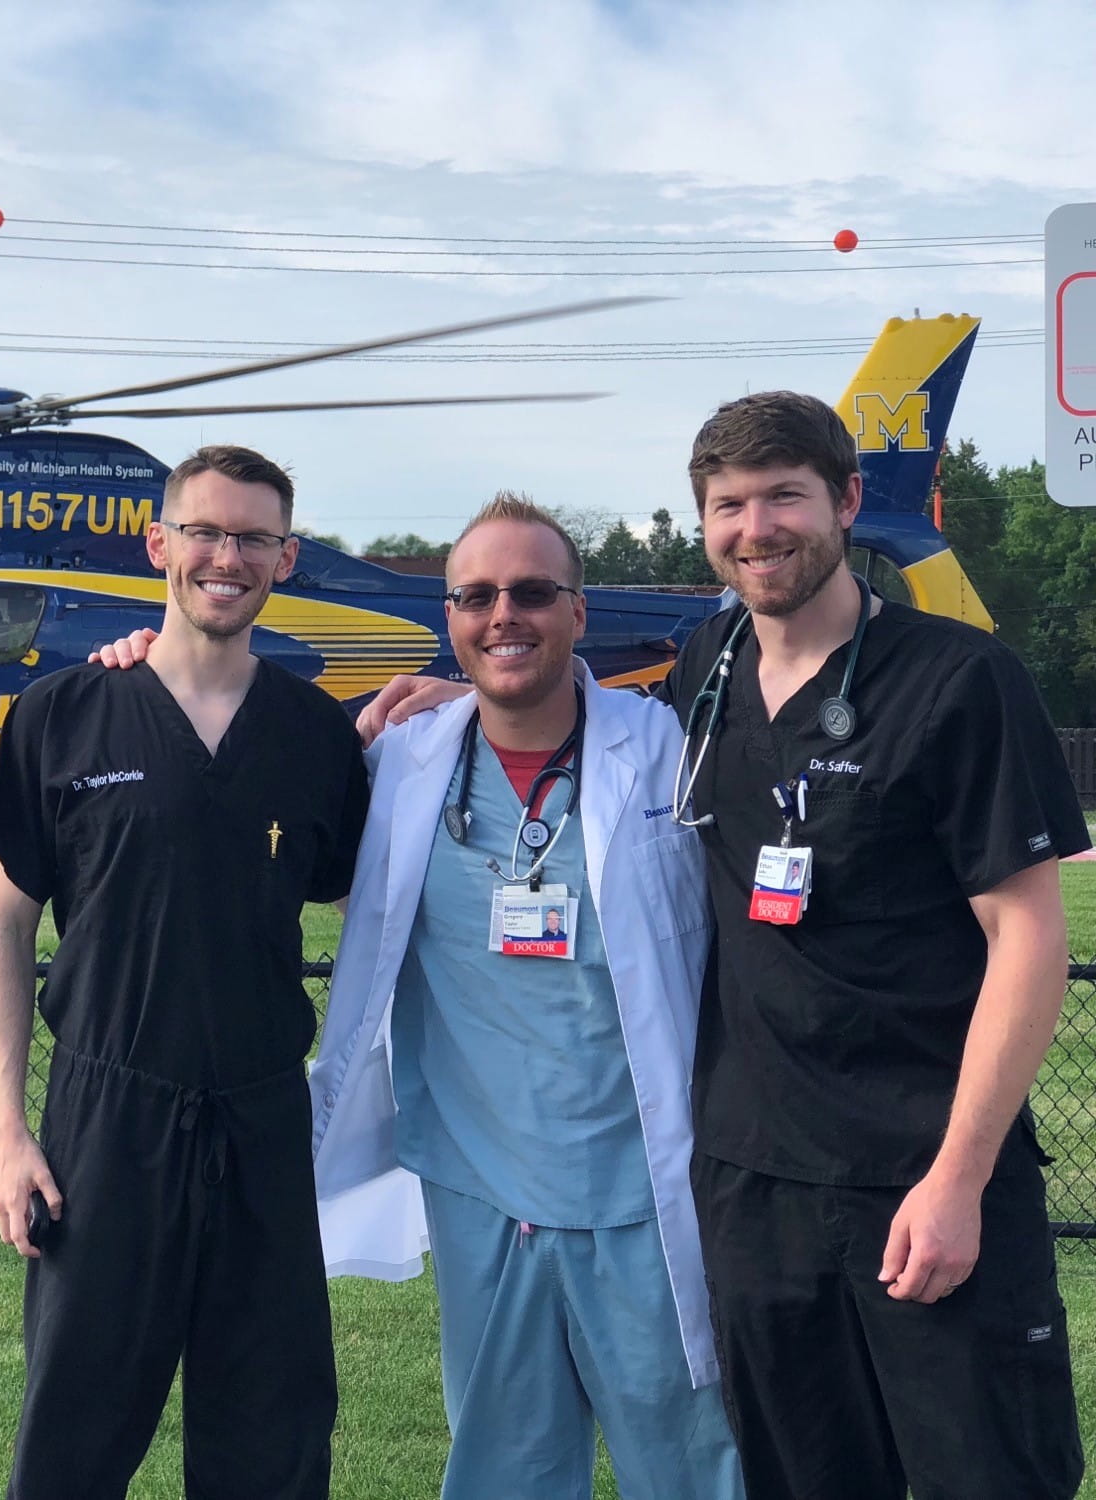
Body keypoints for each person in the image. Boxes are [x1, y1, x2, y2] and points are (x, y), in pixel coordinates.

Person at [366, 392, 1089, 1500]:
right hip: (749, 1192)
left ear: (845, 502)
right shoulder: (705, 673)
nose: (756, 528)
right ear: (702, 523)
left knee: (980, 1473)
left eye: (783, 496)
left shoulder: (956, 679)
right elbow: (566, 704)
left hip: (919, 1174)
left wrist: (957, 1176)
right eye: (728, 505)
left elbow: (1027, 940)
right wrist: (455, 695)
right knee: (797, 1475)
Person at [308, 495, 742, 1499]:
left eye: (533, 592)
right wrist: (139, 657)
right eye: (476, 595)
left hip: (639, 1191)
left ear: (576, 614)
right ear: (449, 618)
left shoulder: (667, 750)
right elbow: (258, 799)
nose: (504, 614)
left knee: (689, 1470)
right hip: (480, 1191)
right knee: (503, 1469)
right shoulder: (398, 760)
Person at [0, 444, 370, 1500]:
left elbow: (343, 879)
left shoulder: (312, 732)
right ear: (159, 544)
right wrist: (7, 1133)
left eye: (251, 537)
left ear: (283, 558)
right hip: (106, 1115)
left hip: (259, 1117)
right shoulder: (62, 715)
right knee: (74, 1429)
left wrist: (391, 731)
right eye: (203, 530)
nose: (224, 555)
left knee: (272, 1430)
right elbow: (4, 924)